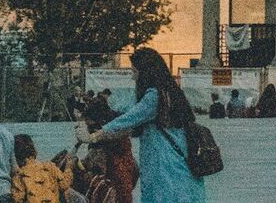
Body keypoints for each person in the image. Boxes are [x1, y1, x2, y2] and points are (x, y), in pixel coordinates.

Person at [85, 48, 203, 202]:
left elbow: (129, 118)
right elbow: (127, 111)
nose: (133, 77)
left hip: (164, 161)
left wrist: (97, 134)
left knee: (162, 197)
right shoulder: (169, 92)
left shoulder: (154, 96)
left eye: (135, 72)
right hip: (176, 162)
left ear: (145, 72)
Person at [10, 133, 69, 203]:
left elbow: (17, 200)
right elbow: (64, 185)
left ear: (16, 155)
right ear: (33, 149)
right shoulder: (50, 166)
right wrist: (69, 168)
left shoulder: (19, 176)